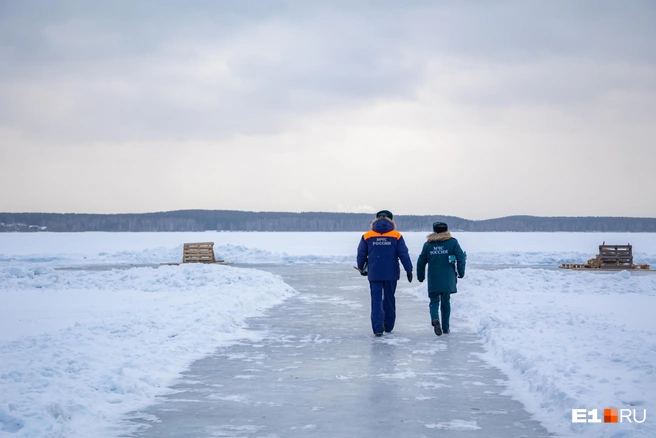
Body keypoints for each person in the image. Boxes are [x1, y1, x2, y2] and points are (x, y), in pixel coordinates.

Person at [357, 210, 413, 337]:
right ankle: (388, 325)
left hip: (374, 272)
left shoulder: (367, 236)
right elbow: (403, 254)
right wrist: (409, 269)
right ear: (391, 220)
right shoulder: (396, 235)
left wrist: (361, 268)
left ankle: (377, 328)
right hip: (391, 272)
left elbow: (361, 254)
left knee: (376, 300)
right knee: (389, 298)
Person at [416, 222, 466, 336]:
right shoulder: (452, 242)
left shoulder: (428, 244)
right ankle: (446, 327)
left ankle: (435, 319)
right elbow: (461, 257)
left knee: (434, 301)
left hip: (434, 278)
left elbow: (421, 261)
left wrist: (420, 276)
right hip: (447, 278)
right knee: (445, 302)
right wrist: (461, 272)